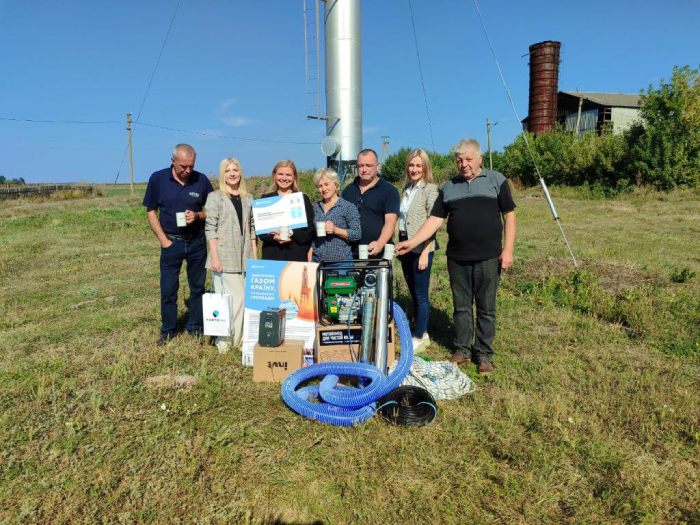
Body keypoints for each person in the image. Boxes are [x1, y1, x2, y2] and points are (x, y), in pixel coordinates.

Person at [396, 139, 516, 375]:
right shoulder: (449, 187)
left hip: (488, 256)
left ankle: (484, 354)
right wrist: (412, 242)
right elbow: (435, 220)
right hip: (457, 257)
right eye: (459, 160)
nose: (464, 164)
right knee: (461, 306)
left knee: (485, 307)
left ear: (480, 158)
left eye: (469, 159)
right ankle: (462, 349)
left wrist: (508, 250)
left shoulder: (496, 180)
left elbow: (509, 216)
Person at [143, 143, 213, 346]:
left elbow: (213, 210)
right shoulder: (158, 179)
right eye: (183, 166)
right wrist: (164, 241)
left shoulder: (201, 180)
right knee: (168, 289)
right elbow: (150, 211)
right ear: (173, 161)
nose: (187, 170)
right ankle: (168, 331)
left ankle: (195, 328)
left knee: (198, 288)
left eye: (191, 166)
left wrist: (199, 215)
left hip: (196, 243)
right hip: (171, 242)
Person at [204, 158, 257, 353]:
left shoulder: (248, 198)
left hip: (245, 257)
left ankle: (241, 339)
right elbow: (210, 228)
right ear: (222, 174)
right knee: (229, 300)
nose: (232, 173)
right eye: (228, 171)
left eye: (235, 170)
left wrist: (255, 255)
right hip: (224, 257)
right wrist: (215, 257)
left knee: (243, 300)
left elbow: (252, 229)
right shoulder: (215, 197)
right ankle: (225, 343)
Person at [397, 149, 439, 353]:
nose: (414, 169)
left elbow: (434, 222)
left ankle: (420, 337)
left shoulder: (430, 189)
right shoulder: (406, 188)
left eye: (418, 166)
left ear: (425, 168)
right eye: (411, 165)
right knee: (413, 291)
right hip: (405, 246)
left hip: (422, 247)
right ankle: (421, 329)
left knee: (421, 294)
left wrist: (425, 251)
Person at [341, 148, 400, 259]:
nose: (364, 169)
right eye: (360, 166)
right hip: (350, 256)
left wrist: (380, 243)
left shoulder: (389, 191)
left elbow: (390, 222)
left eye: (368, 165)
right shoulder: (348, 191)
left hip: (378, 254)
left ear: (377, 166)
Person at [257, 160, 315, 262]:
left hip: (296, 256)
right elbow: (261, 234)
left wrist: (291, 232)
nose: (284, 178)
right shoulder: (265, 199)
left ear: (294, 177)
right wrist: (275, 237)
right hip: (272, 256)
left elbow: (309, 231)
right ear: (274, 175)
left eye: (288, 175)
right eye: (280, 174)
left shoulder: (302, 199)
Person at [311, 168, 361, 263]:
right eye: (320, 186)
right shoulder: (315, 207)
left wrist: (335, 230)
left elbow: (357, 234)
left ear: (335, 184)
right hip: (317, 262)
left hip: (340, 263)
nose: (324, 189)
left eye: (326, 184)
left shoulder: (347, 206)